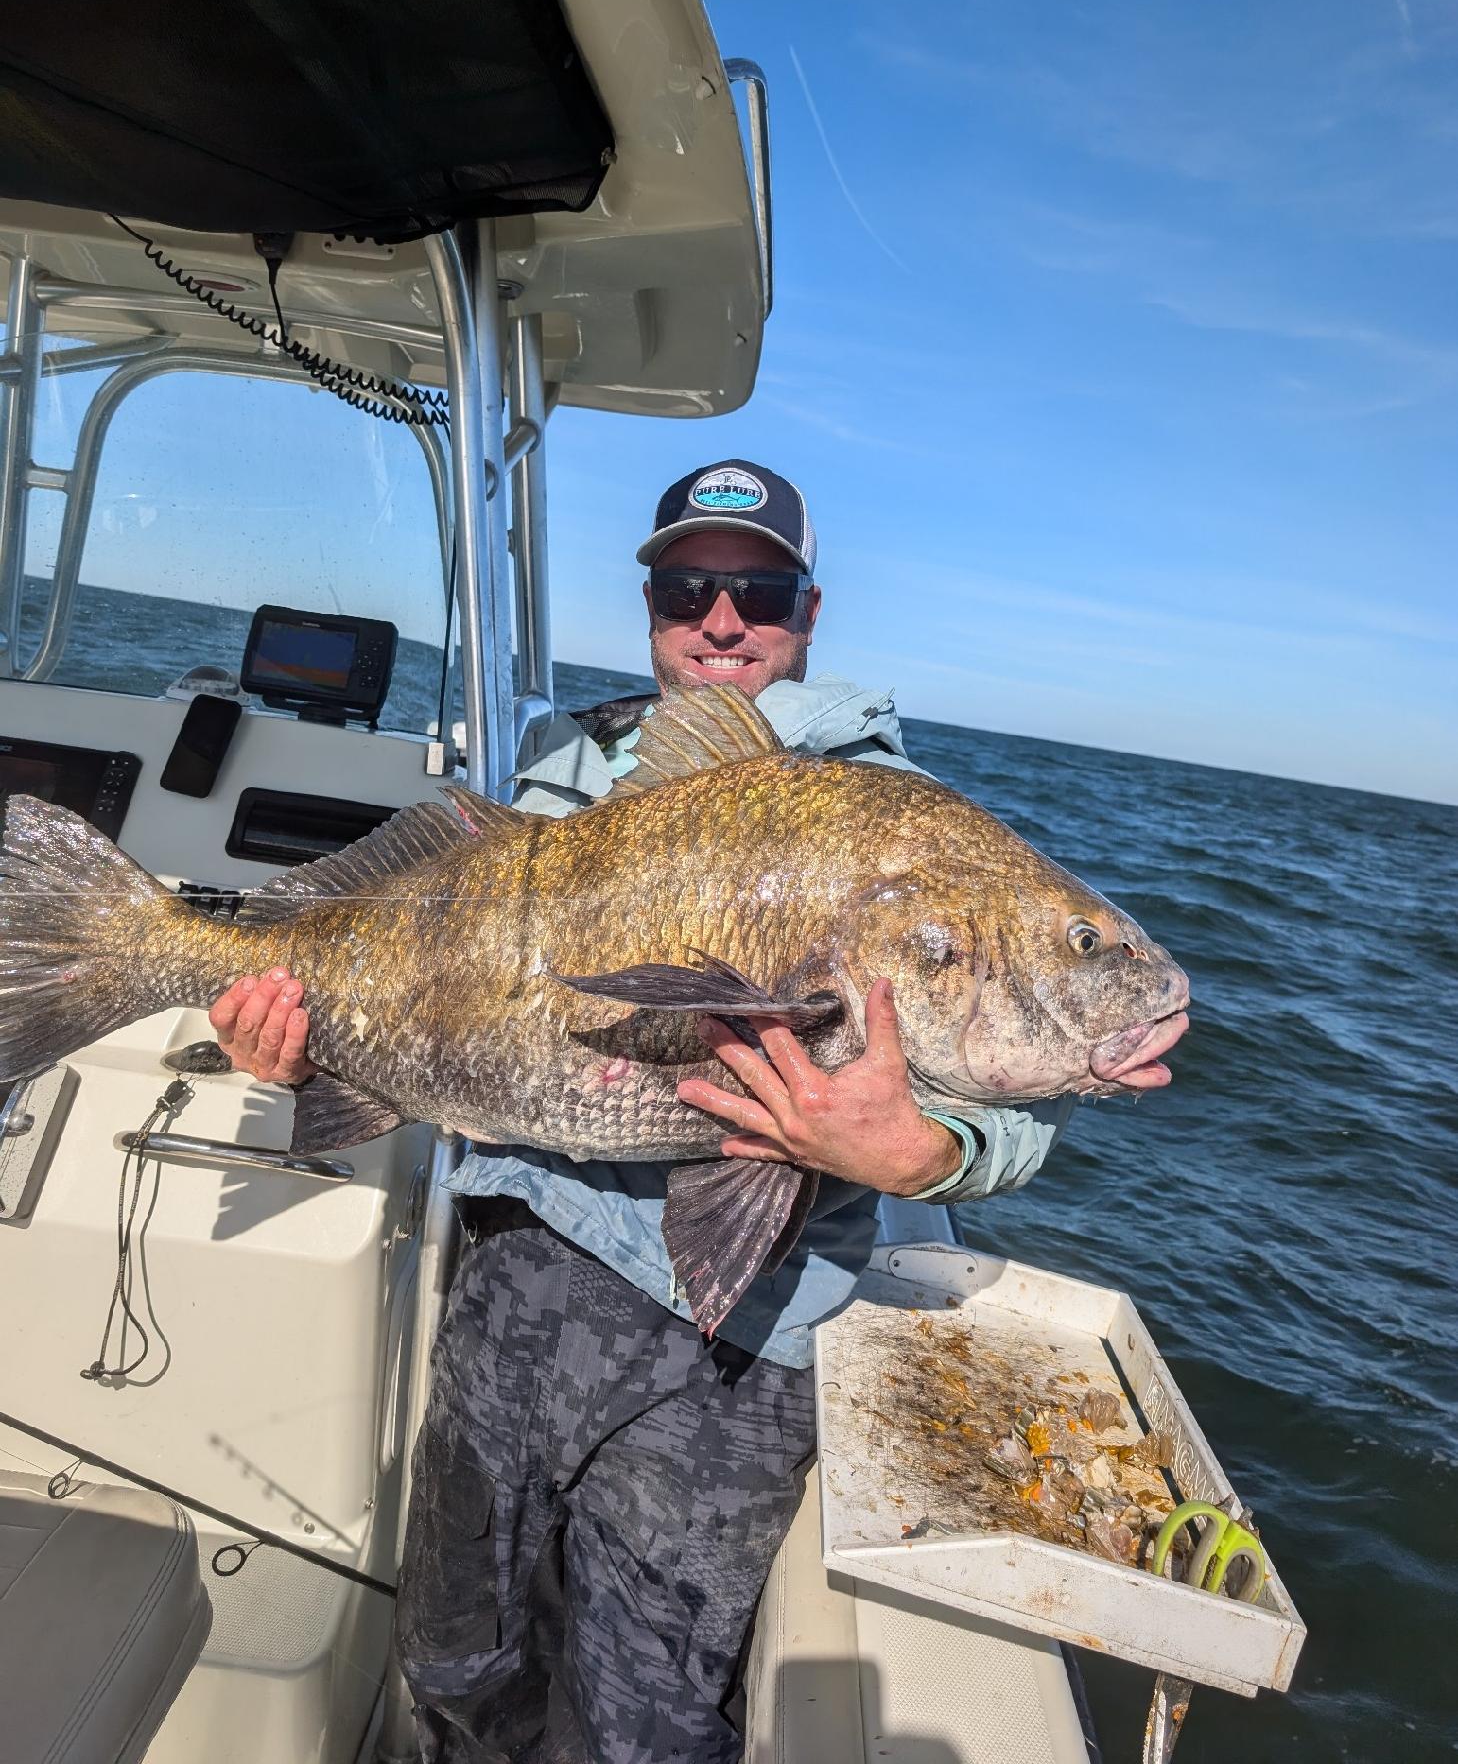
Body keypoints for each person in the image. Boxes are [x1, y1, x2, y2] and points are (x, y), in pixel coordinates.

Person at [208, 462, 1112, 1764]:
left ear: (808, 607)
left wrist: (924, 1147)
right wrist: (301, 1056)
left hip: (728, 1346)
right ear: (650, 603)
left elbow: (1018, 1091)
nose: (721, 621)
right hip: (511, 1273)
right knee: (460, 1647)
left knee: (641, 1721)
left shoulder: (889, 821)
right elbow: (451, 999)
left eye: (757, 590)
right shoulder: (562, 761)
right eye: (688, 587)